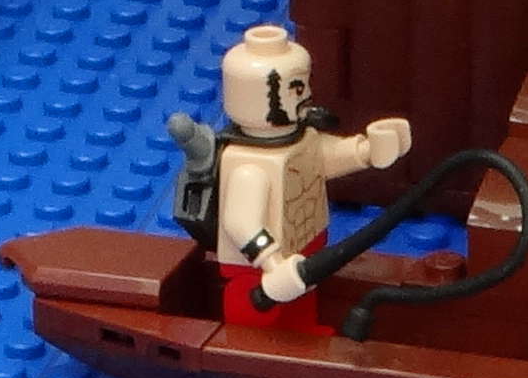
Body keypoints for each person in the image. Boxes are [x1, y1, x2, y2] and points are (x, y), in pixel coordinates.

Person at [176, 20, 412, 328]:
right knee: (257, 314)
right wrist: (272, 263)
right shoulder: (250, 165)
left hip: (306, 248)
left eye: (305, 84)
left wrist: (367, 151)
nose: (307, 95)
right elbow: (240, 222)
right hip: (259, 270)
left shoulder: (302, 141)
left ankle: (303, 335)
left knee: (303, 305)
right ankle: (255, 347)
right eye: (297, 88)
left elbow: (324, 158)